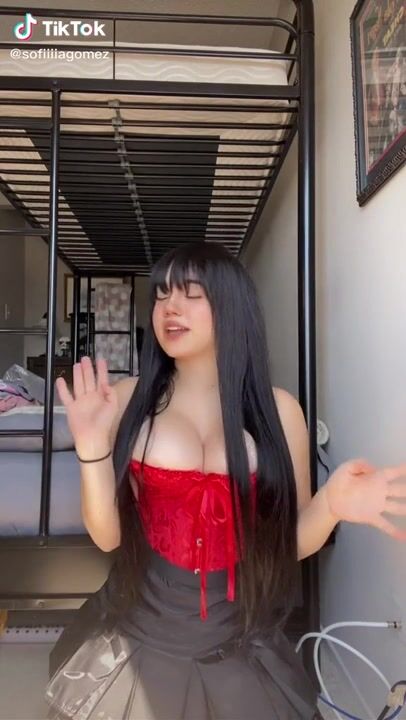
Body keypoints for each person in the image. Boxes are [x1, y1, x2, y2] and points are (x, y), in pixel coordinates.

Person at [45, 242, 406, 720]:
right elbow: (109, 537)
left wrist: (330, 506)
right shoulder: (127, 397)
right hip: (140, 628)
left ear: (232, 305)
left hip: (237, 636)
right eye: (162, 294)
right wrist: (91, 448)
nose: (170, 307)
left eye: (191, 293)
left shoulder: (281, 411)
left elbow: (289, 545)